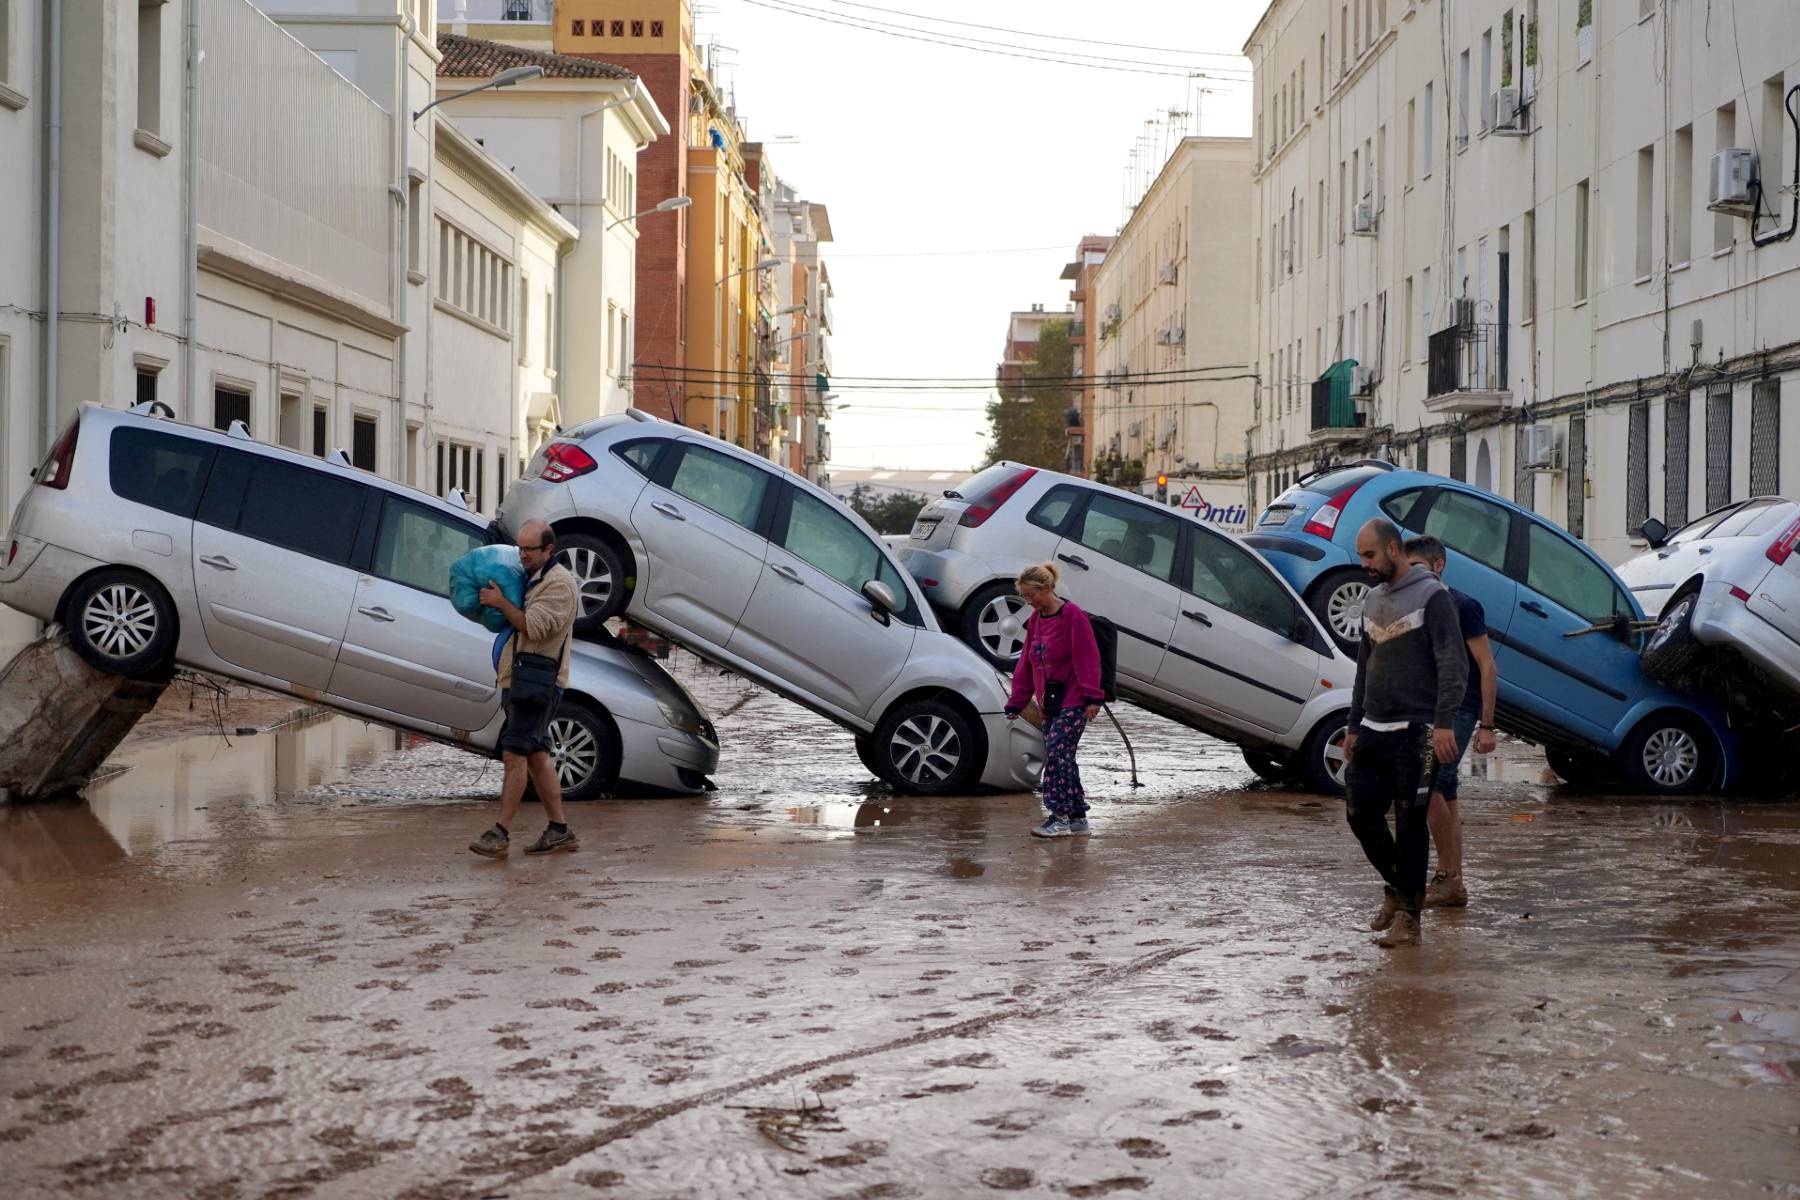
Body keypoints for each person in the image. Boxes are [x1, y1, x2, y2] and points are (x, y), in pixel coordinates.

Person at [1343, 519, 1469, 948]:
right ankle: (1400, 889)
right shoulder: (1372, 599)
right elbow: (1364, 667)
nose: (1364, 564)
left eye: (1370, 555)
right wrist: (1353, 725)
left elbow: (1455, 664)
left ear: (1393, 549)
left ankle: (1410, 920)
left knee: (1412, 824)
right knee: (1360, 814)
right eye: (1361, 556)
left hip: (1418, 732)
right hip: (1374, 729)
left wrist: (1444, 723)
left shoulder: (1433, 597)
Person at [468, 520, 582, 858]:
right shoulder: (532, 576)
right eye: (520, 548)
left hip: (538, 685)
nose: (523, 554)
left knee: (514, 753)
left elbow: (533, 627)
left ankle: (500, 833)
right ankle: (559, 829)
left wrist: (501, 603)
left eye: (529, 549)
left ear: (549, 550)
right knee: (536, 755)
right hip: (521, 681)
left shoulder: (560, 586)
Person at [1403, 535, 1499, 909]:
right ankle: (1454, 883)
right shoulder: (1416, 604)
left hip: (1459, 709)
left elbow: (1487, 665)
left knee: (1431, 791)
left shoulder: (1463, 605)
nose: (1410, 575)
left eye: (1417, 568)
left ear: (1438, 565)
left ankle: (1445, 876)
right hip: (1430, 710)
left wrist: (1487, 725)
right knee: (1447, 794)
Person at [1004, 562, 1104, 839]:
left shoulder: (1072, 615)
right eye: (1024, 596)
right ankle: (1077, 818)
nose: (1028, 601)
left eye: (1031, 595)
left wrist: (1093, 697)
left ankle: (1058, 815)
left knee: (1057, 753)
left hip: (1074, 699)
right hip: (1050, 702)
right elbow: (1026, 662)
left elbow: (1087, 658)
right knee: (1064, 757)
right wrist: (1017, 701)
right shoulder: (1036, 619)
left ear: (1047, 588)